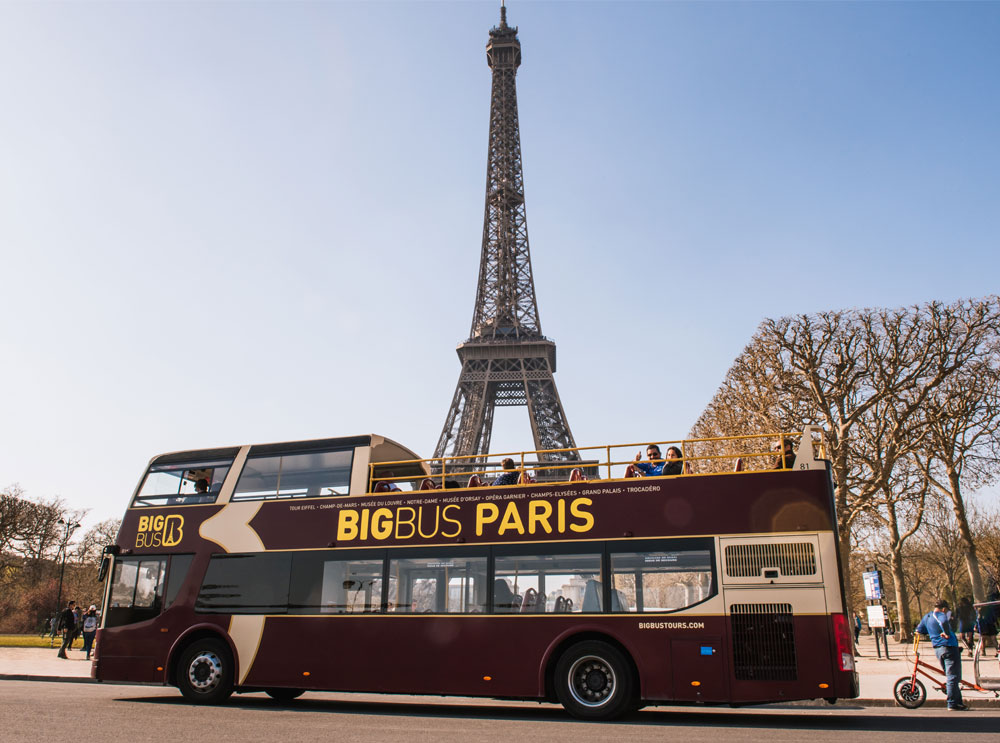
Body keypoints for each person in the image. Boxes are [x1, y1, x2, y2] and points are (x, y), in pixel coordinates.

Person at [915, 598, 969, 710]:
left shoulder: (927, 617)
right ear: (943, 609)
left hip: (938, 649)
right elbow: (944, 621)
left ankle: (958, 702)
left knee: (952, 677)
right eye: (947, 610)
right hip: (948, 647)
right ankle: (952, 703)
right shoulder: (939, 614)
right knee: (953, 677)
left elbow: (919, 629)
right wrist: (946, 633)